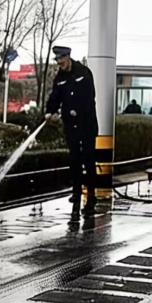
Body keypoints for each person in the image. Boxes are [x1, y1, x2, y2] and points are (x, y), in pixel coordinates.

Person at [45, 45, 97, 220]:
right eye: (57, 61)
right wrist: (49, 111)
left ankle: (91, 196)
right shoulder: (60, 78)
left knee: (88, 160)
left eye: (62, 60)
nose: (60, 64)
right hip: (71, 126)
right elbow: (55, 96)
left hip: (87, 125)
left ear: (68, 57)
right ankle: (76, 192)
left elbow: (89, 97)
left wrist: (77, 111)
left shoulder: (84, 73)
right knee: (74, 160)